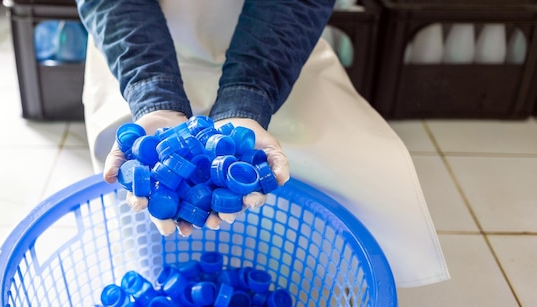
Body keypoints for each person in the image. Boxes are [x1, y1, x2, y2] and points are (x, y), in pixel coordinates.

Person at [75, 0, 450, 288]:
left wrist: (247, 99)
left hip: (276, 47)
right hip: (137, 52)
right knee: (154, 241)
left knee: (362, 175)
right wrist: (155, 97)